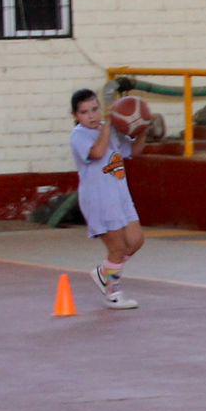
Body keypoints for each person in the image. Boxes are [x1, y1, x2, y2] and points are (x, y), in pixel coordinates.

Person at [69, 87, 145, 310]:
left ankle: (104, 272)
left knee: (136, 240)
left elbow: (134, 151)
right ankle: (113, 293)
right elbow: (97, 153)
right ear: (75, 116)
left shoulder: (110, 130)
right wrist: (110, 124)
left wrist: (143, 128)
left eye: (95, 109)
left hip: (120, 195)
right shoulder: (79, 136)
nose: (92, 115)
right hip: (98, 199)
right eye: (84, 112)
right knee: (118, 248)